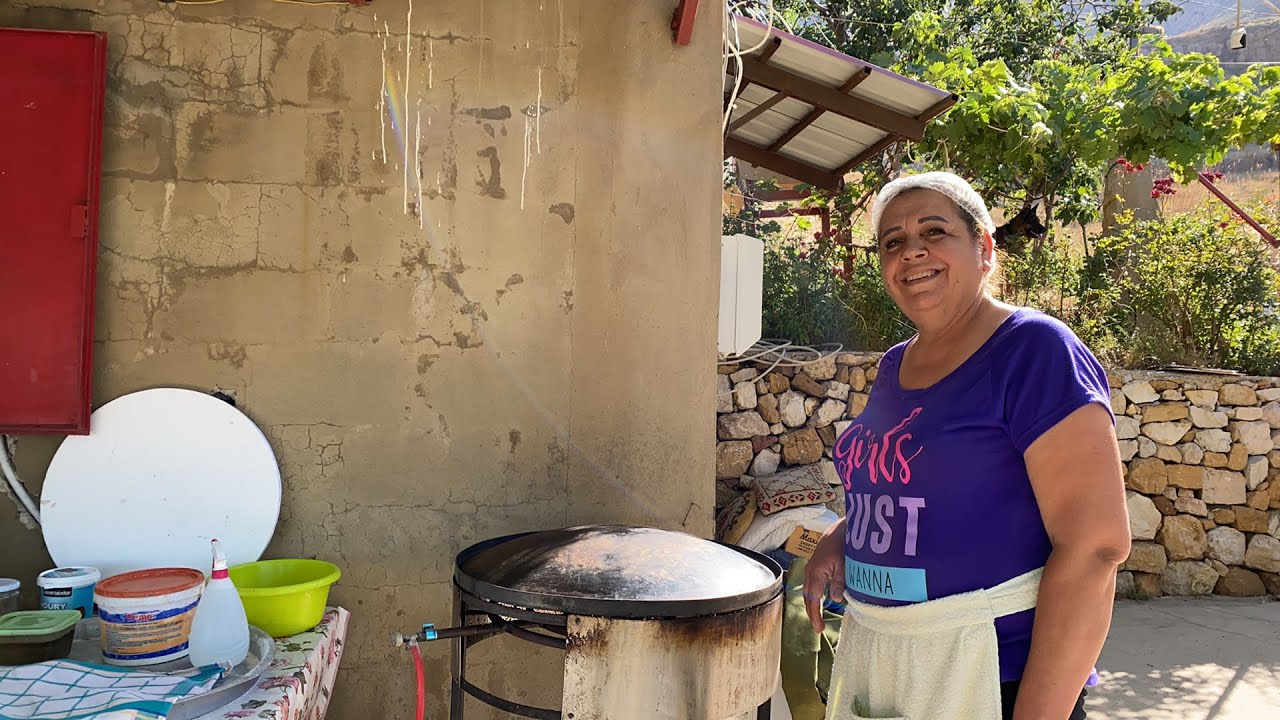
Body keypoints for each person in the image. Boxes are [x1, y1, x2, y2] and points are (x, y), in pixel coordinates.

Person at [802, 171, 1131, 720]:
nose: (912, 252)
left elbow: (1096, 547)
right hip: (891, 665)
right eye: (893, 242)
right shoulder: (894, 364)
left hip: (994, 677)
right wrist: (842, 539)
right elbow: (915, 486)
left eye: (935, 231)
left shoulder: (1033, 351)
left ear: (984, 248)